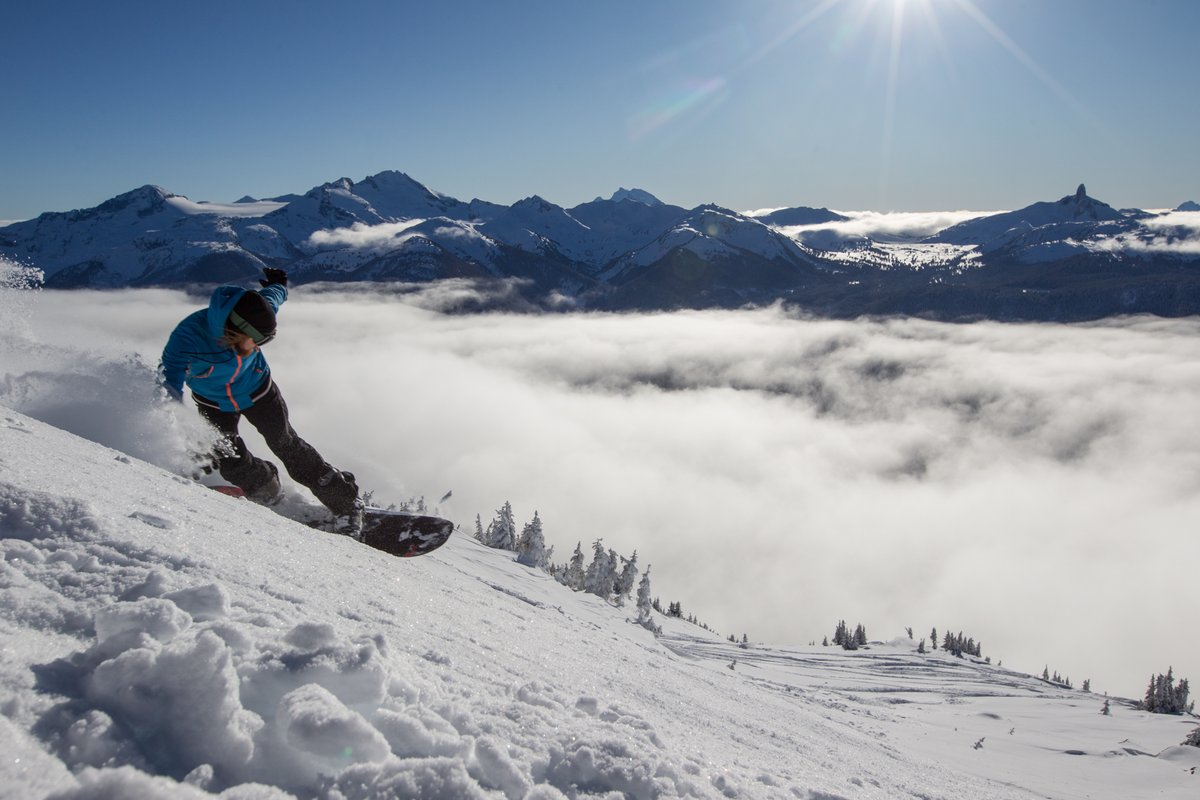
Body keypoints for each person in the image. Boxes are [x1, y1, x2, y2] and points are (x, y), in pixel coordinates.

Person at [160, 268, 363, 535]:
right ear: (233, 329)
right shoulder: (187, 339)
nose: (257, 346)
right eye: (255, 340)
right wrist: (170, 425)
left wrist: (280, 284)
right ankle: (265, 487)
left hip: (259, 391)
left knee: (286, 443)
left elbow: (272, 296)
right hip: (213, 403)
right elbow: (168, 385)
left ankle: (346, 503)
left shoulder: (255, 312)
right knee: (229, 457)